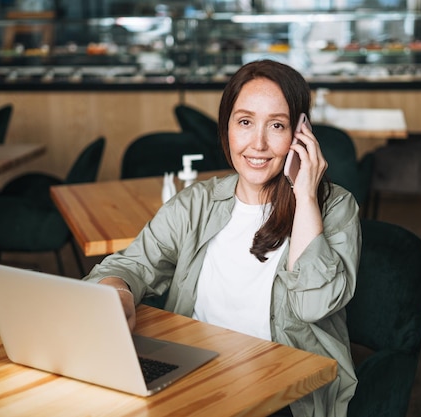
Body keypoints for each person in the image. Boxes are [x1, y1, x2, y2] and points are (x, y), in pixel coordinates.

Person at [84, 60, 360, 416]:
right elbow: (131, 264)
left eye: (277, 125)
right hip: (192, 376)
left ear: (300, 133)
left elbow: (313, 305)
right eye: (245, 122)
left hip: (283, 392)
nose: (257, 143)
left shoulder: (334, 207)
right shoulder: (197, 202)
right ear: (226, 128)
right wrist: (118, 292)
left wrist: (305, 194)